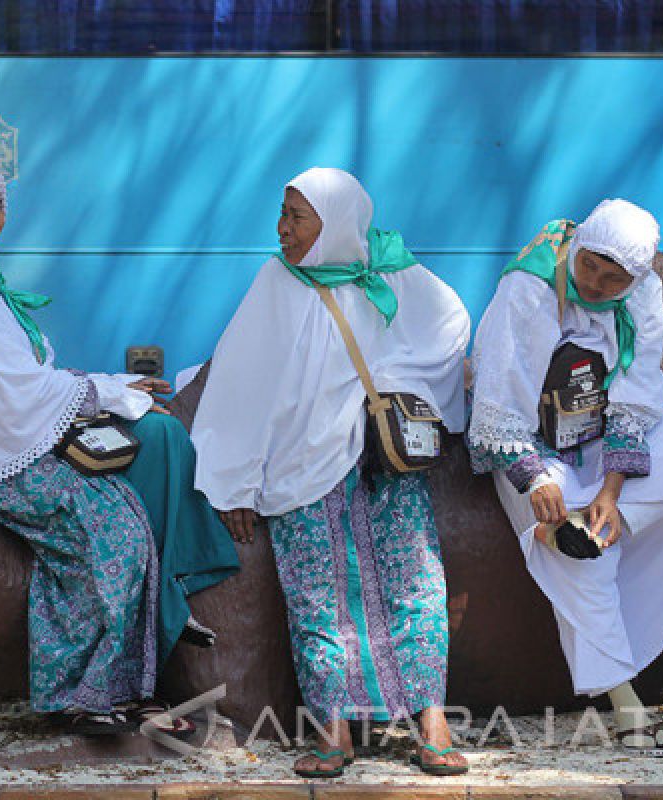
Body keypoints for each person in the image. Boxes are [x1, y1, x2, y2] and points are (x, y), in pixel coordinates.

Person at [0, 158, 238, 735]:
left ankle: (130, 688)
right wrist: (105, 390)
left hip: (16, 440)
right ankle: (82, 696)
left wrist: (103, 390)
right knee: (114, 532)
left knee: (129, 511)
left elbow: (20, 379)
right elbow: (17, 391)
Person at [191, 167, 471, 778]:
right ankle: (332, 729)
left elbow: (451, 324)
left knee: (415, 584)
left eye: (297, 216)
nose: (282, 228)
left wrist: (399, 378)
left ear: (337, 221)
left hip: (386, 458)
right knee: (316, 595)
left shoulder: (388, 270)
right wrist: (234, 481)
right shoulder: (276, 282)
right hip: (303, 462)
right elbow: (241, 384)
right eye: (283, 213)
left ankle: (432, 722)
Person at [467, 198, 663, 755]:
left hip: (601, 449)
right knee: (575, 555)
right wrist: (534, 480)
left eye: (613, 277)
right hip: (531, 454)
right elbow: (498, 398)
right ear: (580, 244)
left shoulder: (640, 293)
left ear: (635, 276)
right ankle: (627, 708)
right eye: (590, 265)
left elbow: (637, 395)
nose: (595, 283)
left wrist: (613, 495)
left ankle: (593, 526)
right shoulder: (530, 288)